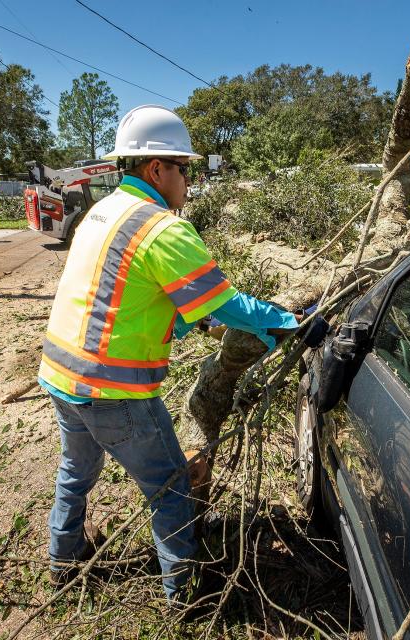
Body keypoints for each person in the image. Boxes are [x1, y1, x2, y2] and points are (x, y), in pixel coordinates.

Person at [38, 105, 298, 601]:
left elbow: (119, 290)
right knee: (172, 491)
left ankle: (62, 562)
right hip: (112, 390)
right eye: (184, 168)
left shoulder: (102, 210)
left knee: (75, 473)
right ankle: (186, 600)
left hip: (60, 377)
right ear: (157, 169)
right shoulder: (162, 227)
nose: (188, 181)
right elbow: (228, 303)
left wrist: (181, 319)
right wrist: (286, 320)